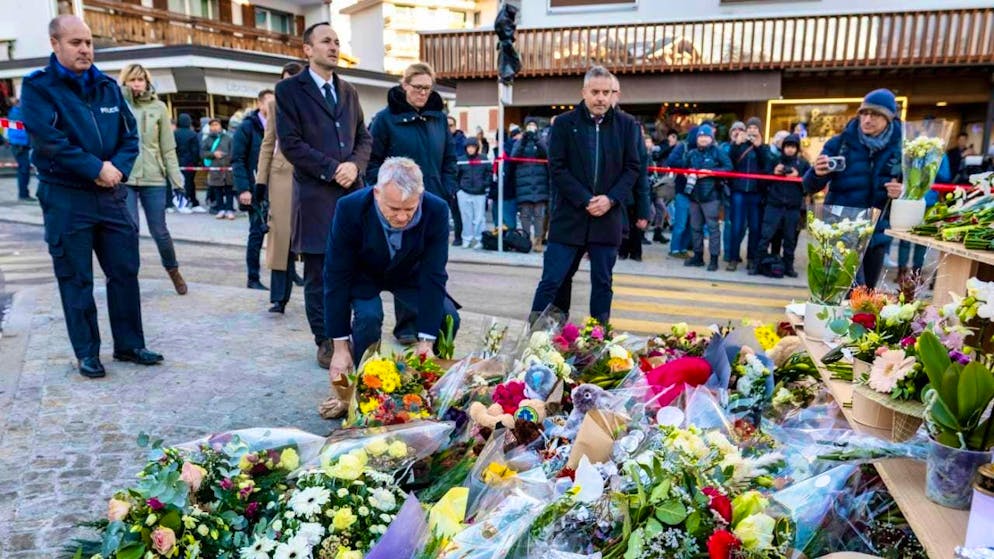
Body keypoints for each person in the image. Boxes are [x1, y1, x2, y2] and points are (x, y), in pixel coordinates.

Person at [21, 15, 162, 377]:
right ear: (55, 44)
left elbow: (131, 137)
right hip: (66, 197)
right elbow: (48, 141)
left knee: (125, 271)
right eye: (75, 43)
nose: (85, 49)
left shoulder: (108, 86)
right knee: (76, 277)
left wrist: (115, 168)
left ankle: (130, 345)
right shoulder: (38, 87)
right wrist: (94, 168)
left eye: (88, 42)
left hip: (110, 193)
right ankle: (87, 352)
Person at [275, 22, 372, 369]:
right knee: (320, 275)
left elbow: (364, 138)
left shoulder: (349, 91)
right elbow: (291, 144)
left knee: (355, 269)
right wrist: (334, 169)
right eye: (325, 41)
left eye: (336, 41)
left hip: (353, 197)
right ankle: (327, 341)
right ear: (307, 49)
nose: (333, 46)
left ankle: (357, 338)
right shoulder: (289, 91)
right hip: (316, 197)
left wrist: (354, 168)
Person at [325, 156, 460, 378]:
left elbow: (434, 275)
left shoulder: (437, 210)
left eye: (410, 209)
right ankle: (365, 378)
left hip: (409, 272)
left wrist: (427, 341)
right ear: (377, 193)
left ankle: (425, 375)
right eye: (394, 208)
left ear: (421, 195)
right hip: (364, 272)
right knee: (368, 317)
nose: (402, 217)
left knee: (447, 317)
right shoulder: (350, 208)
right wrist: (339, 347)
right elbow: (335, 276)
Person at [529, 66, 640, 325]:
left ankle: (596, 340)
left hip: (607, 218)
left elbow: (633, 168)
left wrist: (610, 199)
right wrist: (584, 199)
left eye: (606, 92)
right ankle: (538, 336)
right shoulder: (565, 124)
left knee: (602, 282)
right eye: (596, 92)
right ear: (584, 92)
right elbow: (557, 167)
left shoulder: (626, 125)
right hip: (570, 216)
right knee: (554, 279)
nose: (601, 98)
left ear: (613, 93)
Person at [366, 62, 456, 345]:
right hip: (398, 206)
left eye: (427, 88)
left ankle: (422, 321)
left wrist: (447, 189)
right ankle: (405, 326)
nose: (422, 93)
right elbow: (372, 162)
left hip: (433, 203)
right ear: (403, 85)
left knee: (429, 263)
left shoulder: (438, 119)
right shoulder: (384, 120)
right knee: (402, 262)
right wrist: (381, 195)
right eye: (417, 87)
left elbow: (449, 160)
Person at [803, 88, 904, 289]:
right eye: (864, 113)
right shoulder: (839, 143)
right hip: (841, 231)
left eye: (875, 114)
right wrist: (817, 173)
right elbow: (808, 186)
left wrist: (902, 192)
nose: (867, 119)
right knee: (842, 290)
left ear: (889, 118)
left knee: (867, 295)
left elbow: (914, 193)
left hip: (876, 234)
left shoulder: (902, 149)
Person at [118, 63, 187, 296]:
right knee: (130, 230)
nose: (137, 84)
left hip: (154, 178)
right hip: (125, 178)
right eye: (133, 79)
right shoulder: (118, 106)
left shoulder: (159, 108)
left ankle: (173, 270)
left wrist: (177, 181)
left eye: (141, 80)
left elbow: (168, 148)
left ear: (147, 82)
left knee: (160, 231)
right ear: (125, 81)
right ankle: (129, 280)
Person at [257, 62, 304, 314]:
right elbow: (268, 143)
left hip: (311, 173)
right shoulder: (275, 106)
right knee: (280, 235)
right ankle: (278, 297)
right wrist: (260, 181)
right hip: (281, 175)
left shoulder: (316, 104)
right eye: (284, 80)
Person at [233, 88, 276, 291]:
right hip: (255, 189)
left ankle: (290, 274)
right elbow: (238, 159)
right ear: (260, 104)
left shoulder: (280, 126)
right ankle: (253, 277)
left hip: (277, 189)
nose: (273, 107)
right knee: (257, 233)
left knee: (282, 234)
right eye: (269, 103)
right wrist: (244, 189)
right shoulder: (248, 127)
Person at [676, 124, 733, 271]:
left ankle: (714, 259)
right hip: (694, 196)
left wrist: (710, 172)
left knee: (713, 229)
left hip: (712, 196)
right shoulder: (691, 153)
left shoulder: (717, 152)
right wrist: (687, 172)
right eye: (700, 136)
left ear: (711, 138)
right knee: (695, 228)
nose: (702, 139)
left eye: (705, 136)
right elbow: (682, 167)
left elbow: (729, 168)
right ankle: (698, 256)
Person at [757, 134, 809, 277]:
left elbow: (810, 186)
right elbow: (762, 182)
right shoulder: (775, 161)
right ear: (783, 147)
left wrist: (799, 178)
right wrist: (773, 173)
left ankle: (788, 267)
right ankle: (758, 264)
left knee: (790, 240)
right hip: (773, 205)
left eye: (793, 147)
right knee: (765, 237)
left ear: (797, 148)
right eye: (787, 146)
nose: (790, 150)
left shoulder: (803, 164)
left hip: (793, 208)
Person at [728, 116, 772, 273]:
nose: (752, 130)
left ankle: (752, 259)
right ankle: (733, 258)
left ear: (760, 131)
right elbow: (730, 164)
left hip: (755, 192)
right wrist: (736, 144)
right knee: (737, 226)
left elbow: (767, 166)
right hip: (738, 191)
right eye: (750, 127)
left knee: (755, 227)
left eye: (755, 128)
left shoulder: (764, 148)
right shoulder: (739, 145)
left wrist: (759, 148)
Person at [512, 118, 550, 252]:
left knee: (540, 215)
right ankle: (525, 239)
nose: (531, 128)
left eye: (533, 125)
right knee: (525, 214)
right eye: (529, 125)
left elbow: (547, 154)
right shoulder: (520, 141)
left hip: (540, 183)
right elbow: (514, 156)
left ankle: (538, 240)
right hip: (524, 183)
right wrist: (523, 140)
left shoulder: (542, 140)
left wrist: (536, 140)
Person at [455, 137, 491, 248]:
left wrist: (485, 185)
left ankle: (479, 239)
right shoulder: (461, 159)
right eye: (468, 147)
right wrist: (458, 190)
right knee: (466, 217)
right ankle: (467, 238)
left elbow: (489, 173)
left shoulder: (484, 159)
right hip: (464, 192)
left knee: (479, 218)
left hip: (479, 193)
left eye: (473, 147)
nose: (471, 149)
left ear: (477, 148)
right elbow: (455, 175)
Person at [201, 118, 235, 219]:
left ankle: (230, 209)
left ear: (220, 126)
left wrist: (227, 157)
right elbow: (202, 154)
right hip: (215, 168)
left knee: (229, 190)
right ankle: (220, 209)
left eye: (216, 124)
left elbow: (233, 152)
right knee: (217, 190)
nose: (214, 127)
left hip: (227, 168)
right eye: (212, 125)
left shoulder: (228, 138)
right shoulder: (207, 140)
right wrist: (213, 154)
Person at [173, 113, 204, 213]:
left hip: (177, 162)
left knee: (180, 184)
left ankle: (183, 203)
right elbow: (195, 150)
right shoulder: (192, 134)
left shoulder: (174, 133)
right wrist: (197, 162)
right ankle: (192, 202)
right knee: (190, 182)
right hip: (190, 162)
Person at [6, 97, 34, 201]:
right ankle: (23, 194)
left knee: (24, 169)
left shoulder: (15, 113)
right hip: (20, 146)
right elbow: (21, 131)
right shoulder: (18, 114)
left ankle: (23, 193)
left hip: (19, 145)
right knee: (24, 169)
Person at [448, 115, 466, 246]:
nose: (448, 128)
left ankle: (458, 236)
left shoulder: (461, 141)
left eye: (451, 125)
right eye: (446, 125)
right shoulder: (438, 138)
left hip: (456, 181)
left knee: (457, 213)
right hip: (441, 179)